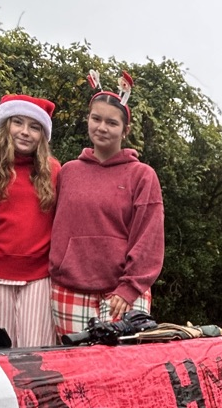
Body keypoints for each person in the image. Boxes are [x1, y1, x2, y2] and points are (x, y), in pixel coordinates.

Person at [49, 77, 164, 337]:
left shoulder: (142, 175)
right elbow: (56, 226)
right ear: (88, 120)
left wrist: (130, 287)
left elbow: (149, 237)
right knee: (73, 369)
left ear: (125, 129)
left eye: (112, 122)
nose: (102, 127)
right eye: (96, 119)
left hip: (122, 294)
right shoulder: (68, 172)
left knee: (122, 371)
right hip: (68, 290)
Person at [0, 95, 60, 346]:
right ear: (6, 125)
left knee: (37, 353)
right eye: (18, 122)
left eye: (34, 127)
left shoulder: (54, 170)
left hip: (39, 275)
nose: (25, 132)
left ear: (43, 135)